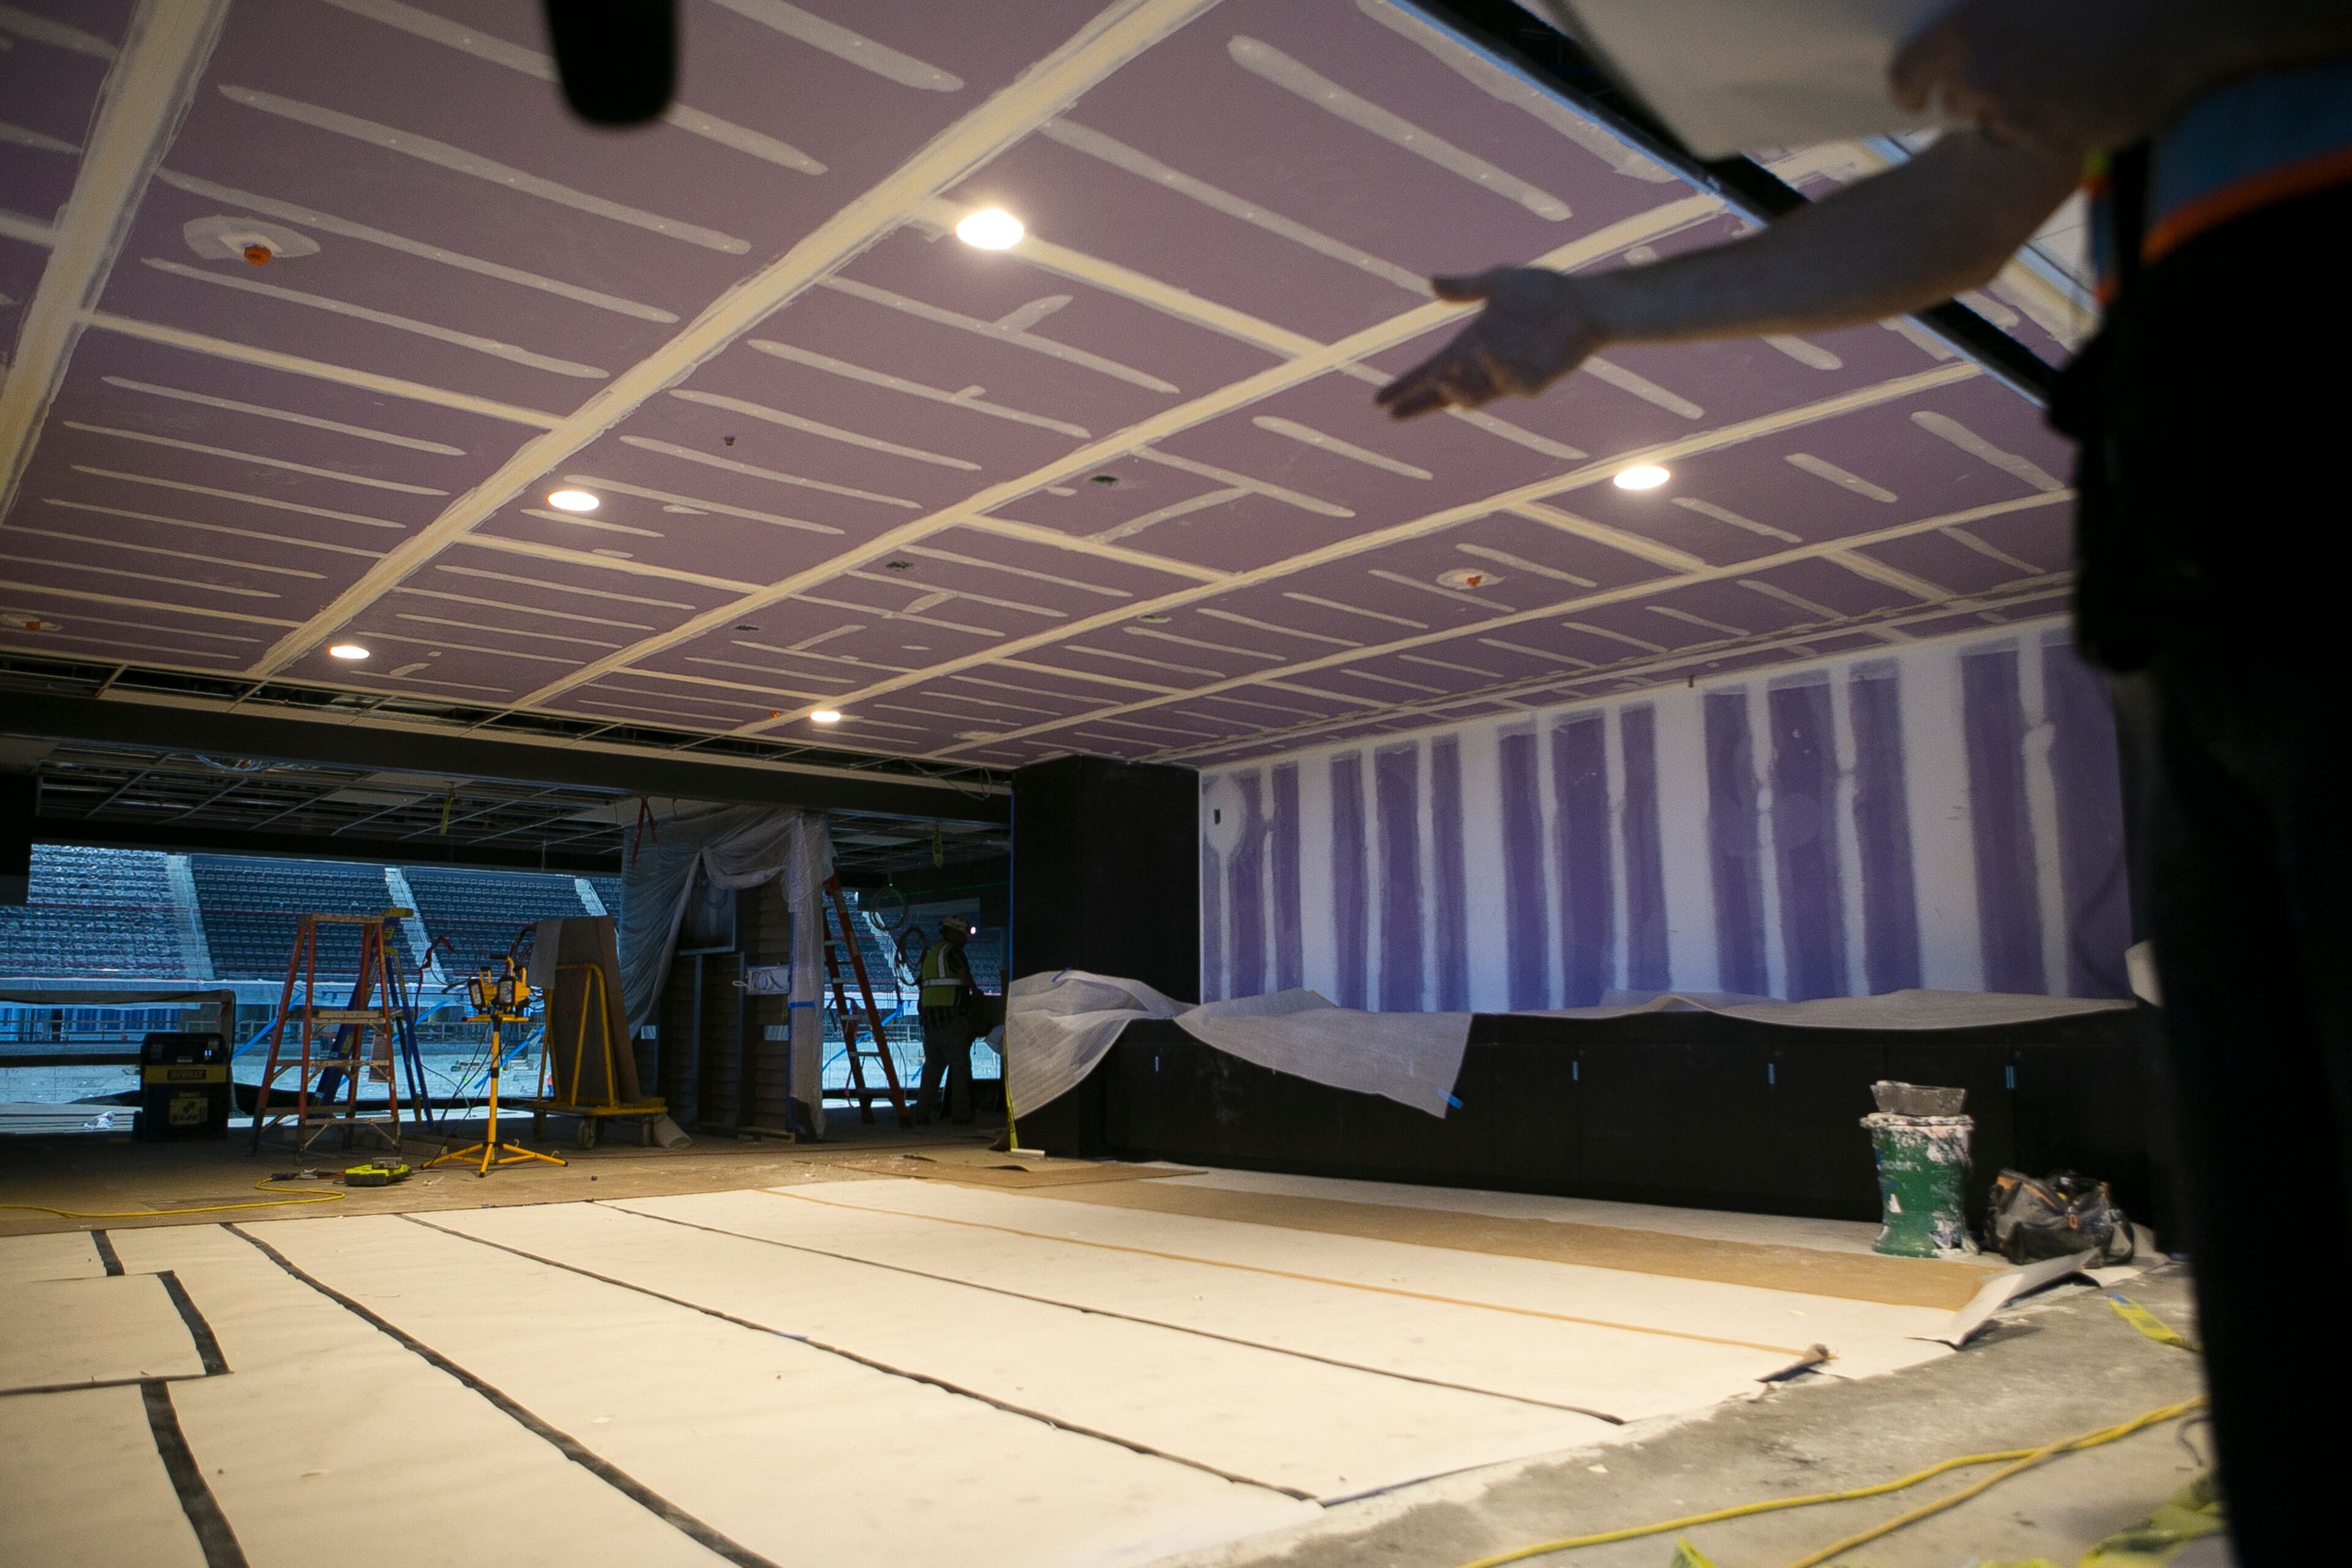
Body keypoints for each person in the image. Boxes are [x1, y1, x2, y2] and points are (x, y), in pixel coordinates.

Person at [1377, 6, 2352, 1561]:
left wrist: (2192, 28)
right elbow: (1955, 210)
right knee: (2283, 1270)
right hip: (2202, 595)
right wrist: (1600, 306)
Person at [916, 917, 978, 1126]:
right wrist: (976, 992)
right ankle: (961, 1115)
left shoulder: (933, 954)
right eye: (963, 934)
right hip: (950, 1018)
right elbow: (963, 975)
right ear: (952, 932)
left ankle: (922, 1114)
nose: (966, 939)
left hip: (930, 1021)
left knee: (932, 1069)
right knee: (960, 1067)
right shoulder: (953, 951)